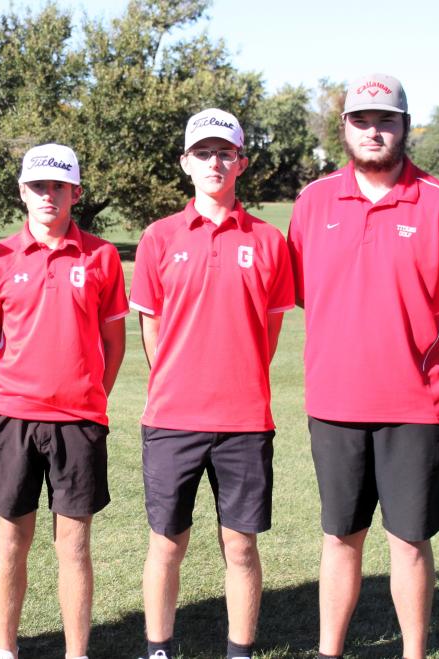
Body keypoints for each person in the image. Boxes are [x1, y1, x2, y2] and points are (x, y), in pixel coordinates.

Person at [287, 74, 439, 659]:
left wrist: (431, 324)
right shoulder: (312, 202)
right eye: (361, 120)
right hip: (333, 401)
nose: (374, 130)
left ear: (406, 126)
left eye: (386, 120)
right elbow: (310, 292)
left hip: (417, 404)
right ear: (344, 129)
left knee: (409, 541)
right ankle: (327, 652)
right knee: (340, 535)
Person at [129, 109, 294, 659]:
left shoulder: (270, 241)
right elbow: (151, 328)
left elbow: (268, 331)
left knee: (240, 546)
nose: (214, 162)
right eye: (203, 153)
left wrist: (234, 376)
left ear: (241, 163)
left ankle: (239, 651)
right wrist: (182, 377)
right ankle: (159, 648)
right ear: (186, 163)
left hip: (245, 421)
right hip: (172, 419)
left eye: (225, 152)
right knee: (166, 544)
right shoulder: (158, 237)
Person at [0, 143, 128, 659]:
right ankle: (6, 650)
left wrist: (88, 393)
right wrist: (18, 385)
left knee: (74, 546)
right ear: (22, 192)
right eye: (38, 186)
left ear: (75, 192)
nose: (48, 196)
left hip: (79, 421)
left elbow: (114, 342)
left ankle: (76, 653)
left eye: (58, 186)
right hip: (13, 417)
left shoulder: (102, 256)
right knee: (12, 540)